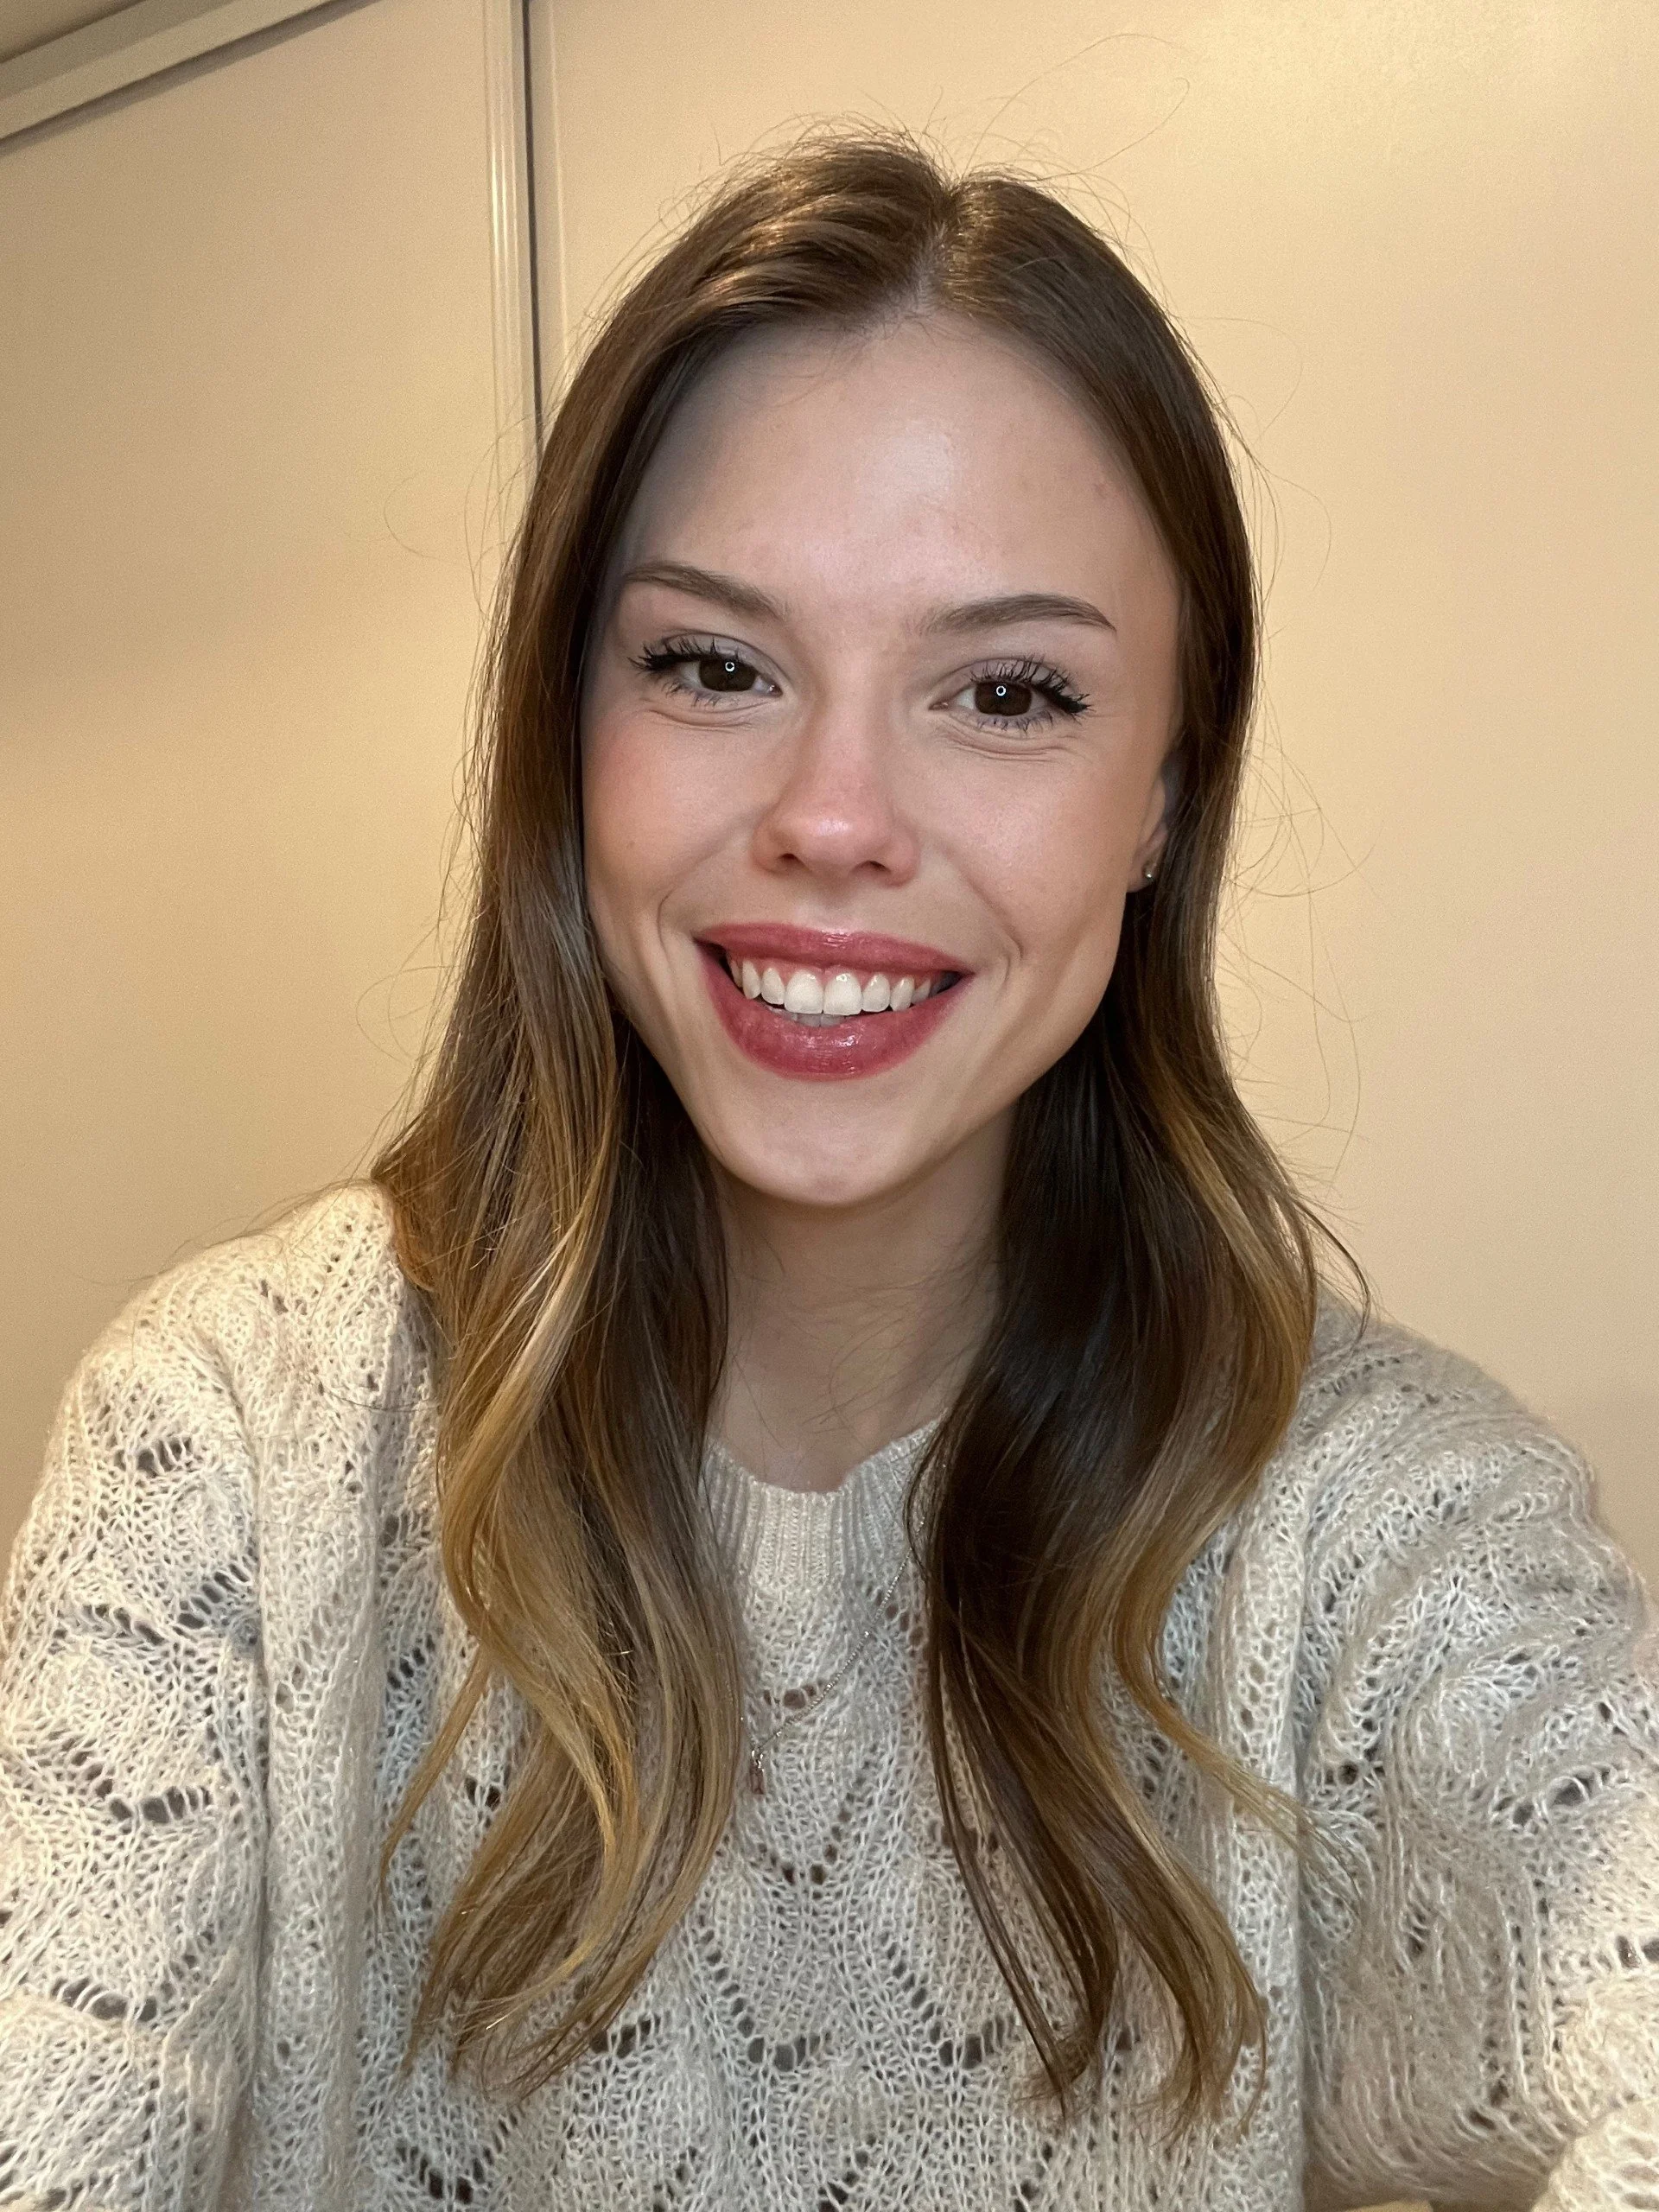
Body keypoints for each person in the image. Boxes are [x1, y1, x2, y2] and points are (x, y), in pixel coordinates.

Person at [0, 130, 1654, 2212]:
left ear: (1163, 798)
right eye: (712, 663)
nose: (835, 816)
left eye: (1009, 692)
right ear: (564, 729)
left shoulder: (1381, 1533)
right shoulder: (230, 1443)